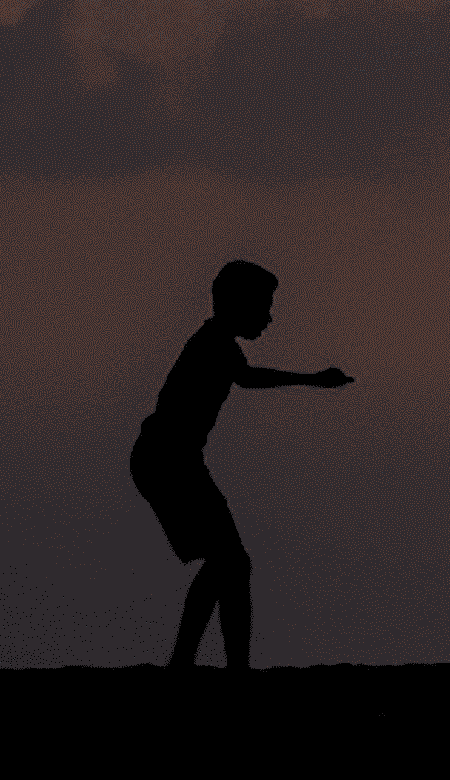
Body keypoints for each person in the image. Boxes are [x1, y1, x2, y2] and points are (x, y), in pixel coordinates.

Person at [133, 259, 352, 671]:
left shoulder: (217, 342)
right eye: (264, 306)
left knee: (229, 562)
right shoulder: (214, 343)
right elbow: (248, 379)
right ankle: (213, 665)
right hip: (166, 461)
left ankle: (208, 663)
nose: (269, 318)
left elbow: (243, 376)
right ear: (237, 303)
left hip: (171, 460)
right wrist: (312, 379)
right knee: (230, 561)